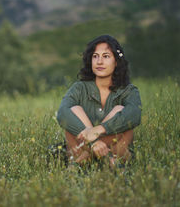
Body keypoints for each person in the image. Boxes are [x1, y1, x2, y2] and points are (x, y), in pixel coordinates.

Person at [56, 35, 141, 169]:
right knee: (74, 110)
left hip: (117, 152)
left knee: (120, 110)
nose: (99, 61)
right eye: (95, 56)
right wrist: (93, 142)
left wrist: (99, 130)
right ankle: (103, 161)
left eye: (106, 56)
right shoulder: (79, 88)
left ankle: (80, 164)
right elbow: (62, 114)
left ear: (116, 61)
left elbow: (134, 114)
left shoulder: (129, 90)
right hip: (81, 149)